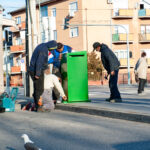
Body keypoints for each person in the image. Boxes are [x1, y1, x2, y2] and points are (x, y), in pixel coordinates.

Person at [29, 40, 57, 111]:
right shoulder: (44, 50)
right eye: (53, 48)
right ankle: (38, 106)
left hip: (33, 69)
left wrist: (46, 67)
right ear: (51, 46)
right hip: (36, 71)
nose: (52, 50)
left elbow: (42, 61)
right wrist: (38, 74)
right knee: (39, 89)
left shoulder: (42, 45)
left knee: (37, 88)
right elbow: (39, 62)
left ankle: (36, 103)